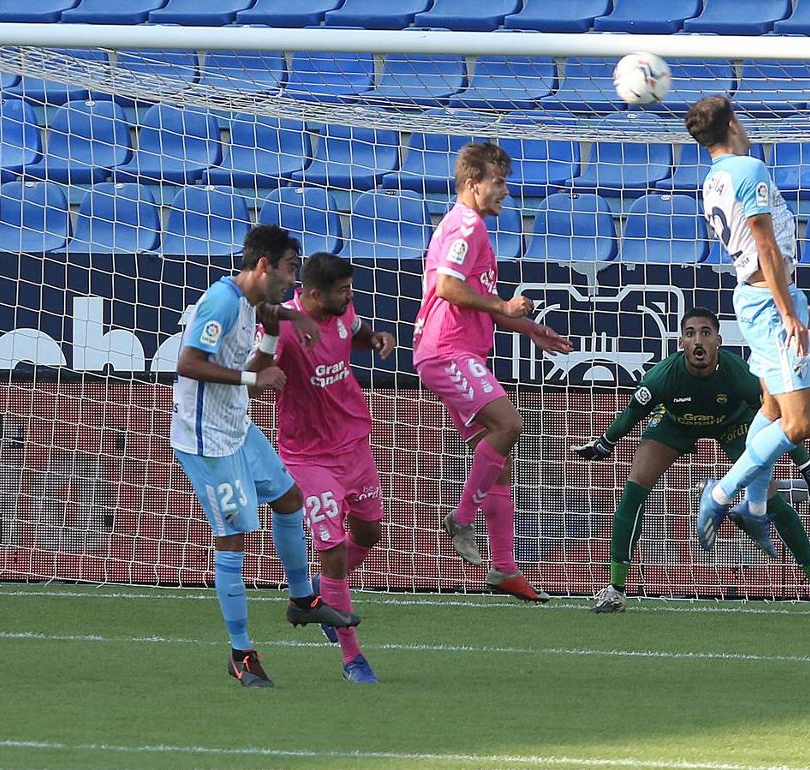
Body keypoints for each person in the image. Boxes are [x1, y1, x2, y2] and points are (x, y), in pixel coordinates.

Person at [171, 224, 358, 688]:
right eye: (290, 269)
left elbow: (272, 313)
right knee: (233, 539)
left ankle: (302, 600)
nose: (294, 281)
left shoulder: (250, 301)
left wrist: (295, 321)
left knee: (290, 499)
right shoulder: (219, 302)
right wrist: (255, 381)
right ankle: (241, 653)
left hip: (237, 425)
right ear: (263, 266)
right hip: (207, 439)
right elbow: (188, 364)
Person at [573, 307, 810, 616]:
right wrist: (605, 443)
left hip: (733, 425)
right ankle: (615, 590)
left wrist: (808, 470)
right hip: (675, 424)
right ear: (681, 343)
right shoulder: (662, 377)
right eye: (690, 334)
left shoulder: (740, 375)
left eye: (705, 332)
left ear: (718, 339)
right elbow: (631, 414)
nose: (697, 341)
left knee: (770, 498)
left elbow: (783, 425)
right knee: (634, 488)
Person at [413, 141, 572, 602]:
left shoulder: (470, 227)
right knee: (509, 424)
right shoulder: (466, 226)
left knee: (497, 460)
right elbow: (447, 286)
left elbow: (475, 298)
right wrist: (504, 304)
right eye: (498, 183)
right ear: (472, 184)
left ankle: (503, 569)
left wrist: (529, 328)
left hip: (456, 350)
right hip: (448, 350)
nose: (506, 192)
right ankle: (461, 518)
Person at [685, 95, 810, 551]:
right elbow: (765, 245)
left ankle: (754, 509)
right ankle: (719, 494)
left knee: (770, 408)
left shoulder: (713, 180)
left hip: (759, 296)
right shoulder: (748, 170)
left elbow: (754, 253)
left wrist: (792, 301)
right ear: (733, 123)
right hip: (771, 307)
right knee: (799, 423)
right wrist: (789, 311)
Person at [253, 251, 396, 684]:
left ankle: (320, 590)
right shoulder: (283, 327)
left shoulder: (343, 309)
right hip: (308, 457)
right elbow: (258, 359)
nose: (349, 295)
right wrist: (262, 373)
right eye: (342, 290)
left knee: (369, 534)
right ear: (314, 295)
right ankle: (352, 658)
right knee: (332, 549)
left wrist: (371, 339)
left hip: (354, 443)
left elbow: (352, 330)